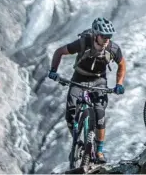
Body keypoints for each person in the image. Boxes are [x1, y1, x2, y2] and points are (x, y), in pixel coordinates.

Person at [47, 17, 126, 164]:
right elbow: (59, 52)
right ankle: (77, 142)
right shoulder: (83, 43)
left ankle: (99, 150)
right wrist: (53, 70)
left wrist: (119, 83)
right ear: (96, 34)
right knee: (70, 113)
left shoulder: (113, 49)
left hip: (99, 81)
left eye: (109, 36)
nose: (107, 39)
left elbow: (122, 64)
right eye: (104, 36)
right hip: (79, 78)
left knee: (100, 115)